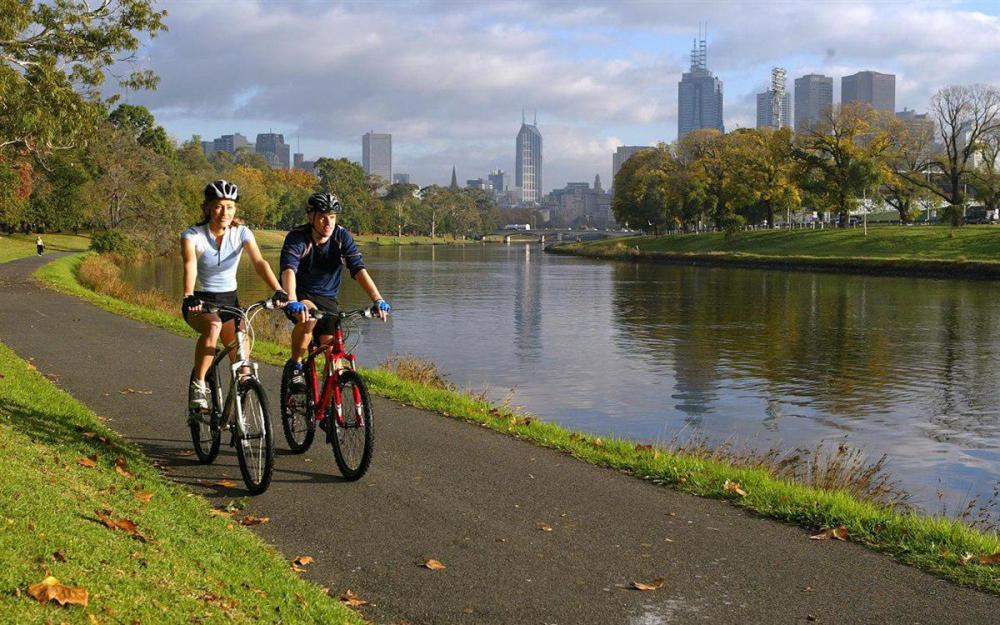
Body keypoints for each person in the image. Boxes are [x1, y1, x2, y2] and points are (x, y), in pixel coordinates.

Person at [181, 180, 287, 412]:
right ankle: (199, 385)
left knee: (244, 367)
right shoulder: (192, 235)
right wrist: (189, 295)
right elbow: (191, 265)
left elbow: (259, 262)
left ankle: (239, 418)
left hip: (230, 303)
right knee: (213, 326)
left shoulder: (242, 233)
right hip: (200, 302)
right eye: (218, 206)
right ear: (208, 207)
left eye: (229, 206)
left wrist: (278, 289)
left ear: (235, 209)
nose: (224, 212)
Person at [280, 192, 390, 391]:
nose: (328, 222)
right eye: (322, 216)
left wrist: (378, 299)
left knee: (335, 358)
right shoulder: (298, 238)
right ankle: (296, 365)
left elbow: (358, 269)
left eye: (332, 216)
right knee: (309, 319)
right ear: (310, 216)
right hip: (299, 295)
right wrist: (292, 299)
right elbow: (288, 269)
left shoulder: (341, 236)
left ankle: (329, 410)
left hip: (328, 299)